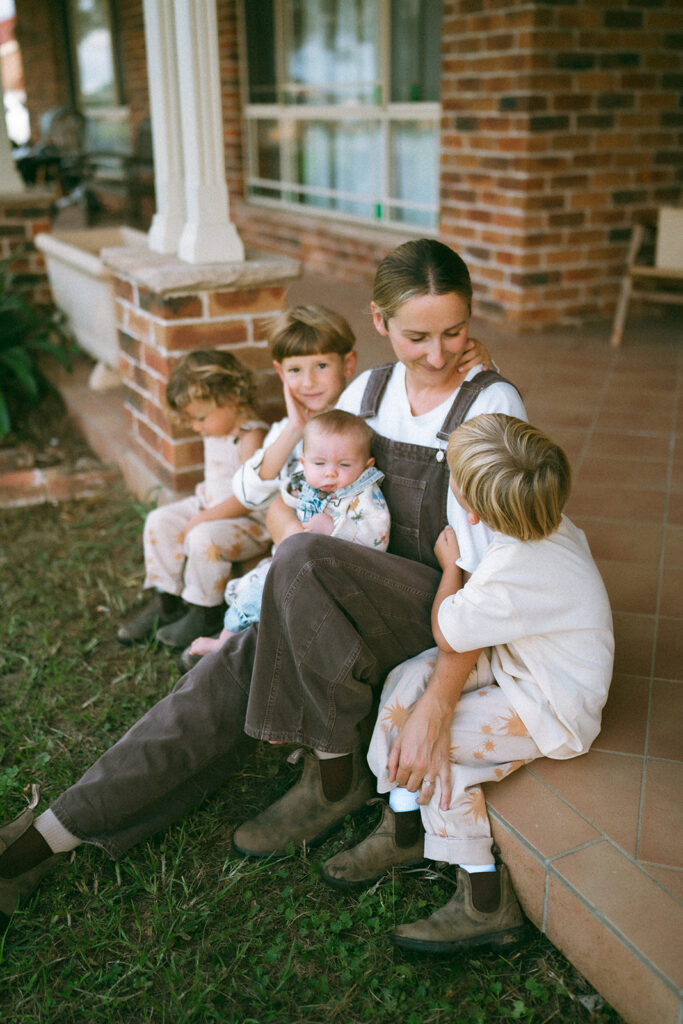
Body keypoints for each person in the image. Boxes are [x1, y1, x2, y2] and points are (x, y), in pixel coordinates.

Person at [0, 239, 522, 931]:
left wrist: (436, 702)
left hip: (424, 610)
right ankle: (36, 846)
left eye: (453, 332)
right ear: (377, 320)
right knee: (212, 686)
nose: (435, 354)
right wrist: (295, 424)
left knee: (301, 556)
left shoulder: (491, 401)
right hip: (331, 610)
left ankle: (333, 774)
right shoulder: (365, 391)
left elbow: (489, 571)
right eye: (415, 335)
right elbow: (265, 486)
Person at [321, 414, 614, 953]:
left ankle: (484, 899)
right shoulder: (538, 521)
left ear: (473, 508)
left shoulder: (514, 573)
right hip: (517, 659)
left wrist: (448, 568)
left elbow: (446, 629)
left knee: (439, 747)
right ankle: (404, 825)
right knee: (409, 679)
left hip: (551, 702)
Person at [189, 409, 391, 658]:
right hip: (289, 564)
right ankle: (227, 641)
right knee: (250, 591)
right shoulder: (307, 483)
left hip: (333, 576)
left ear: (367, 464)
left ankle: (233, 644)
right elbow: (285, 502)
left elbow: (376, 539)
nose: (330, 472)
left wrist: (334, 531)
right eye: (319, 463)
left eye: (345, 465)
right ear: (304, 462)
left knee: (264, 597)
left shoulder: (366, 496)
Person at [116, 349, 271, 650]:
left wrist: (202, 518)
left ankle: (206, 612)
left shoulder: (250, 436)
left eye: (200, 418)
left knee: (203, 537)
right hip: (208, 506)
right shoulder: (216, 429)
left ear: (232, 398)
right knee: (159, 520)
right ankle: (167, 602)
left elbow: (247, 499)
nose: (196, 427)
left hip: (247, 522)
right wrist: (201, 513)